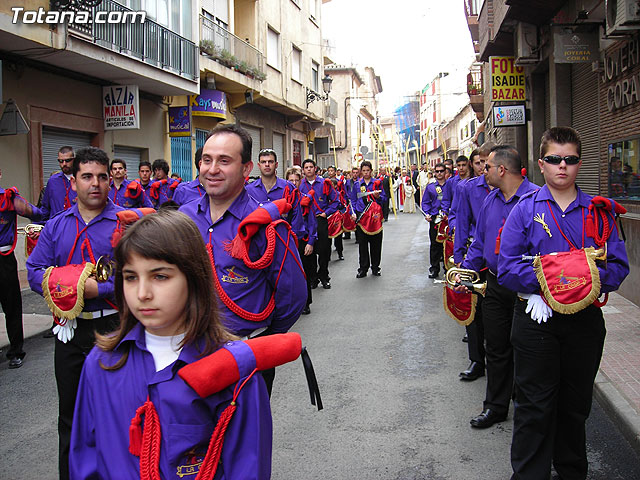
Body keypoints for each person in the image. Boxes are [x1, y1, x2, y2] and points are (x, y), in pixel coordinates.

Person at [69, 210, 272, 479]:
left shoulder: (235, 372)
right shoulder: (102, 363)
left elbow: (248, 468)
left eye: (160, 276)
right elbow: (85, 458)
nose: (142, 293)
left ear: (194, 278)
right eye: (131, 277)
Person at [498, 127, 629, 479]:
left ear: (579, 164)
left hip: (583, 322)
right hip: (536, 322)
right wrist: (545, 286)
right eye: (554, 159)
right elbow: (506, 268)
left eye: (570, 160)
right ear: (542, 164)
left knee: (575, 407)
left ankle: (571, 472)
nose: (562, 167)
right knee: (534, 408)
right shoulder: (524, 210)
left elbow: (617, 267)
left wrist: (569, 280)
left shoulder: (599, 213)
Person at [179, 124, 306, 396]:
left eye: (224, 161)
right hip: (192, 349)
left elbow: (293, 294)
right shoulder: (183, 218)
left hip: (246, 356)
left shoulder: (266, 226)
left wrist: (263, 338)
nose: (212, 169)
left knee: (243, 435)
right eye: (207, 160)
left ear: (247, 169)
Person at [26, 147, 123, 480]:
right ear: (74, 182)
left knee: (115, 415)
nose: (94, 184)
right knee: (69, 416)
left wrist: (103, 289)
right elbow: (35, 269)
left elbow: (139, 273)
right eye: (86, 177)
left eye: (101, 177)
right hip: (68, 330)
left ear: (110, 180)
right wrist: (67, 285)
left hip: (113, 328)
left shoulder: (125, 224)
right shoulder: (55, 227)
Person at [455, 145, 538, 429]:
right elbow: (479, 242)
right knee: (496, 347)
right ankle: (495, 406)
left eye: (487, 166)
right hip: (495, 284)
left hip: (527, 290)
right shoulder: (490, 200)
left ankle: (527, 409)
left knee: (526, 350)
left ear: (501, 170)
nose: (483, 170)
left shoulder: (536, 199)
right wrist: (465, 271)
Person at [453, 142, 495, 382]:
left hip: (499, 261)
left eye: (487, 162)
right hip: (474, 257)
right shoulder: (468, 189)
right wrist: (460, 259)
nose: (483, 167)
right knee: (474, 310)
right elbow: (461, 222)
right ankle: (477, 360)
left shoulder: (506, 188)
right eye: (479, 162)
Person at [0, 168, 43, 368]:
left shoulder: (8, 199)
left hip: (4, 259)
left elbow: (37, 214)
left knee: (12, 307)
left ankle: (16, 351)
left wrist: (42, 226)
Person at [299, 158, 341, 290]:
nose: (309, 169)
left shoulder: (324, 183)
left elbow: (335, 201)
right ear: (303, 170)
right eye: (306, 167)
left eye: (311, 167)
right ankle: (313, 278)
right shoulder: (300, 185)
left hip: (320, 220)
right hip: (306, 222)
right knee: (309, 251)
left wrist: (326, 213)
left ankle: (324, 276)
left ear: (315, 168)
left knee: (323, 251)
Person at [286, 167, 317, 315]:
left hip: (301, 241)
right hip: (285, 242)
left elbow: (312, 223)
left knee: (304, 273)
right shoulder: (282, 199)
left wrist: (311, 242)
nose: (293, 183)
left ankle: (306, 303)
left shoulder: (306, 198)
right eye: (290, 180)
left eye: (296, 180)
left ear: (300, 182)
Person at [354, 161, 385, 278]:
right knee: (362, 245)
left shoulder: (377, 183)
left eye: (368, 170)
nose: (366, 173)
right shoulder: (358, 184)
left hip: (375, 218)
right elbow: (353, 199)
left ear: (371, 171)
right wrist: (354, 213)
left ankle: (376, 267)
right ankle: (363, 268)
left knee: (376, 244)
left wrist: (378, 197)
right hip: (362, 218)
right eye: (364, 171)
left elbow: (384, 198)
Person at [421, 162, 449, 279]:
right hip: (435, 218)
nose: (439, 173)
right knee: (434, 244)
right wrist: (427, 214)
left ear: (445, 172)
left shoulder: (450, 185)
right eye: (437, 171)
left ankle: (448, 269)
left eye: (441, 171)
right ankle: (434, 268)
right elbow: (425, 202)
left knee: (448, 245)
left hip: (448, 218)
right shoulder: (431, 187)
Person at [40, 146, 77, 221]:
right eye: (61, 161)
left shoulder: (83, 180)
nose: (64, 164)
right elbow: (45, 208)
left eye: (67, 160)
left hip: (76, 227)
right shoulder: (53, 181)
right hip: (56, 228)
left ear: (74, 160)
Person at [327, 165, 346, 259]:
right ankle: (328, 255)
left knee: (338, 236)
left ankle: (340, 253)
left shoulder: (338, 192)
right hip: (328, 217)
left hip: (337, 216)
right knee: (327, 238)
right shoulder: (325, 193)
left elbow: (342, 203)